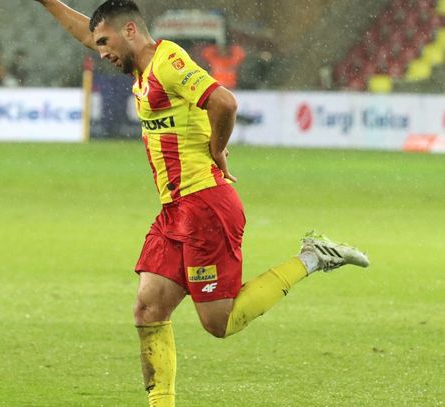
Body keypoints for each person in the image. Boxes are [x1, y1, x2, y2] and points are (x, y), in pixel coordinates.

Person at [34, 1, 370, 405]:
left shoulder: (167, 62)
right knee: (148, 308)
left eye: (105, 42)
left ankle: (313, 257)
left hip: (205, 205)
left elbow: (224, 102)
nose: (100, 50)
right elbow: (85, 33)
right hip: (175, 210)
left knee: (219, 322)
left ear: (130, 32)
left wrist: (217, 148)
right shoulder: (141, 69)